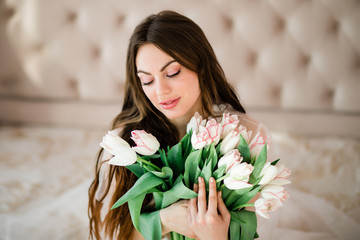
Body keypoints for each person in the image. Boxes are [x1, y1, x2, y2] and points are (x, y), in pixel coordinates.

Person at [88, 10, 271, 240]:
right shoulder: (124, 146)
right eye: (147, 80)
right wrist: (164, 221)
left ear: (200, 65)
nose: (161, 91)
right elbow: (112, 235)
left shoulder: (246, 135)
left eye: (172, 72)